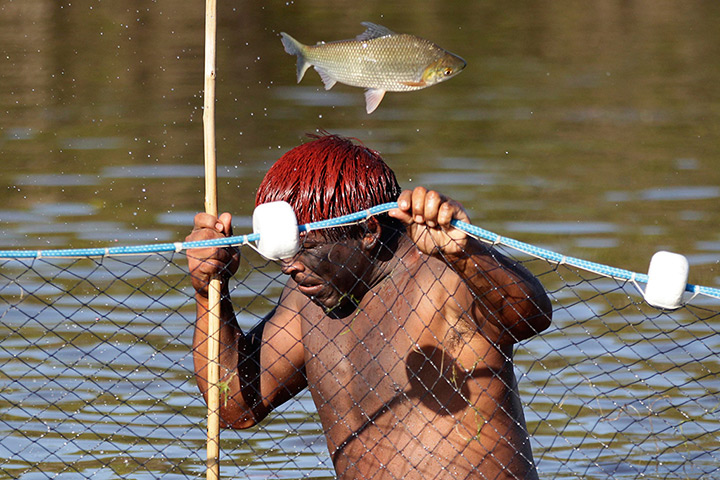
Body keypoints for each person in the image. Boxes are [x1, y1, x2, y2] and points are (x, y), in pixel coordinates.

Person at [186, 134, 552, 480]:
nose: (292, 266)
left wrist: (466, 253)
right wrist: (209, 291)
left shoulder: (445, 273)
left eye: (307, 247)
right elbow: (235, 406)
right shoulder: (306, 303)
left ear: (367, 231)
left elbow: (531, 317)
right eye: (284, 253)